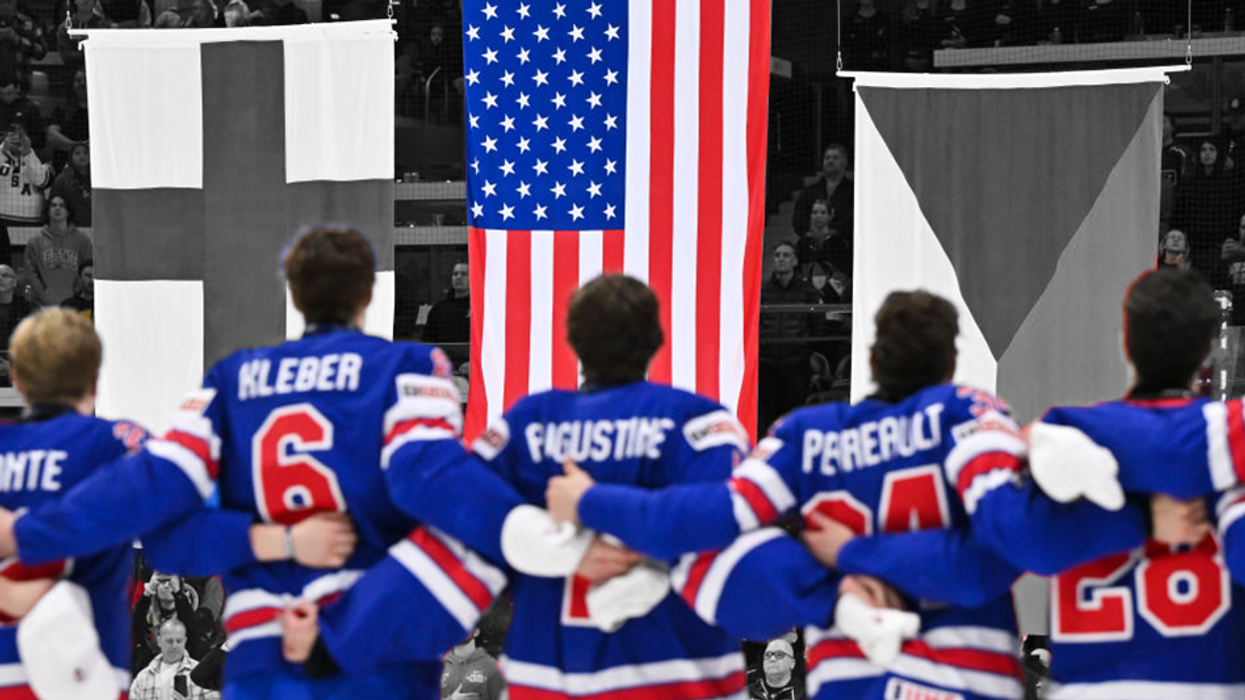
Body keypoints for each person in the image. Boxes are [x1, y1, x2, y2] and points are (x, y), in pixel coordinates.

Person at [546, 290, 1179, 700]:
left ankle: (674, 572)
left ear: (871, 359)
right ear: (947, 361)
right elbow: (1019, 540)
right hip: (960, 675)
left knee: (710, 540)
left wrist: (592, 501)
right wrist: (1143, 515)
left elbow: (715, 512)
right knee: (1019, 518)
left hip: (850, 681)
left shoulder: (806, 434)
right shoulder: (967, 411)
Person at [0, 226, 544, 700]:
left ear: (296, 294)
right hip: (379, 661)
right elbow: (441, 488)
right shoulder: (409, 367)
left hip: (263, 654)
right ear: (367, 295)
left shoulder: (234, 379)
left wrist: (29, 531)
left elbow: (157, 490)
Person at [281, 275, 753, 700]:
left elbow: (444, 553)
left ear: (573, 342)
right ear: (656, 340)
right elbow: (729, 524)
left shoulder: (529, 426)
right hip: (686, 681)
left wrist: (339, 640)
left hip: (553, 680)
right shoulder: (703, 422)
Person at [967, 269, 1245, 699]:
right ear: (1208, 350)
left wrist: (999, 442)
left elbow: (1013, 541)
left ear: (1125, 344)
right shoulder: (1231, 434)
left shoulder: (1068, 432)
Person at [759, 242, 822, 433]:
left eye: (786, 255)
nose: (781, 259)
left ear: (795, 260)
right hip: (767, 363)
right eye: (777, 255)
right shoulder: (763, 289)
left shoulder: (808, 291)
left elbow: (818, 325)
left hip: (796, 363)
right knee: (769, 415)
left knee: (795, 414)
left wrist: (805, 350)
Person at [22, 194, 91, 307]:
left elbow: (88, 268)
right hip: (43, 305)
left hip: (74, 304)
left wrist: (78, 292)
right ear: (48, 211)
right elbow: (30, 272)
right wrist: (41, 293)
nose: (57, 208)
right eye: (53, 205)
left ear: (68, 211)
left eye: (62, 205)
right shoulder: (35, 240)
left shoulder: (82, 240)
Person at [130, 618, 219, 700]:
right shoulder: (143, 678)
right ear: (159, 641)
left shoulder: (203, 675)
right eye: (169, 641)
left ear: (185, 641)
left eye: (179, 641)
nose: (174, 646)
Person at [791, 145, 853, 240]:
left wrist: (831, 231)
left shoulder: (854, 191)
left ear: (845, 162)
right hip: (812, 244)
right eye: (827, 158)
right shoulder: (809, 192)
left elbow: (852, 218)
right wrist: (812, 232)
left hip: (844, 244)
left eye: (835, 158)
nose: (830, 161)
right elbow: (798, 219)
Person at [422, 261, 470, 365]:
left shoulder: (480, 308)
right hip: (442, 365)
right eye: (455, 274)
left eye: (464, 274)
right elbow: (427, 341)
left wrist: (473, 363)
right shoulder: (439, 309)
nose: (458, 277)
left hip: (471, 366)